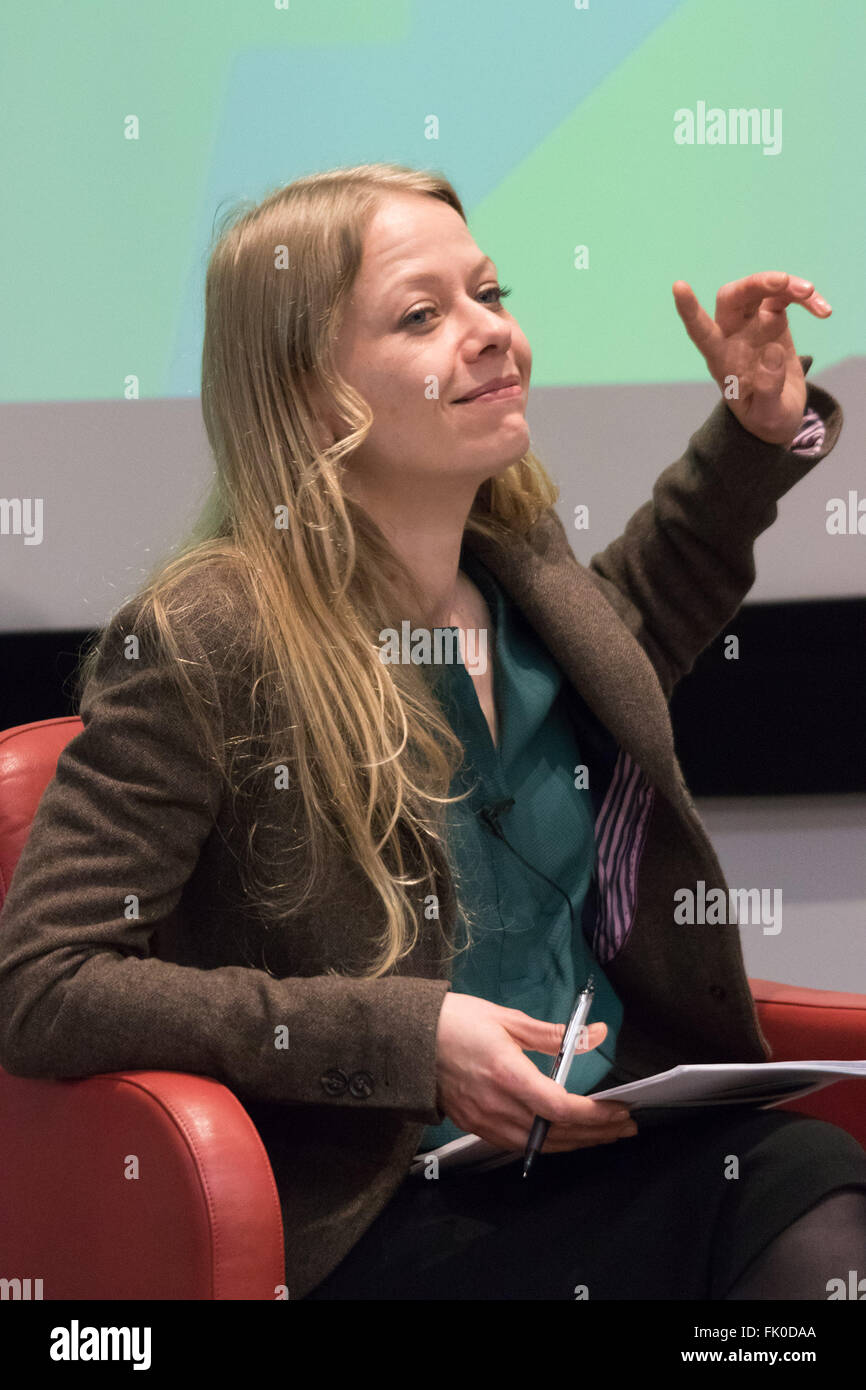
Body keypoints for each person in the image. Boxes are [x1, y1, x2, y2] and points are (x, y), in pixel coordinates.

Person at [0, 162, 863, 1301]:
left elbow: (640, 618)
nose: (492, 334)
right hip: (384, 1213)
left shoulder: (520, 572)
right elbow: (46, 982)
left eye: (490, 295)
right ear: (307, 393)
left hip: (609, 1153)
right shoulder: (206, 640)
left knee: (804, 1182)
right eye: (423, 315)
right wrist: (410, 1037)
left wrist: (760, 433)